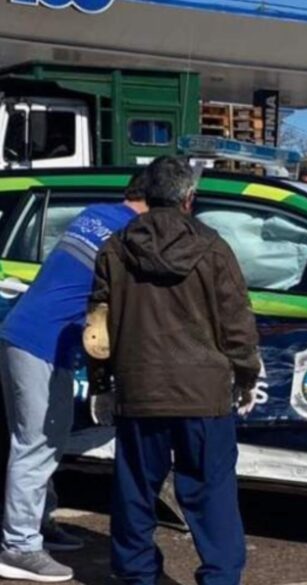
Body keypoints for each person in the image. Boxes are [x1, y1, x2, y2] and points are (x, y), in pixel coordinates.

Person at [88, 156, 261, 585]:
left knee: (135, 492)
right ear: (189, 198)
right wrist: (246, 377)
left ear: (146, 195)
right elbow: (237, 324)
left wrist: (100, 383)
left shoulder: (115, 247)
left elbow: (98, 324)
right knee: (211, 492)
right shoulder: (213, 247)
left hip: (139, 388)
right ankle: (220, 577)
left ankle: (136, 575)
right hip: (204, 393)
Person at [0, 171, 149, 582]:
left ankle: (39, 522)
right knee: (36, 443)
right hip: (41, 343)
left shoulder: (96, 213)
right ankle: (18, 546)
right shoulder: (129, 233)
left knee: (50, 436)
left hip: (28, 334)